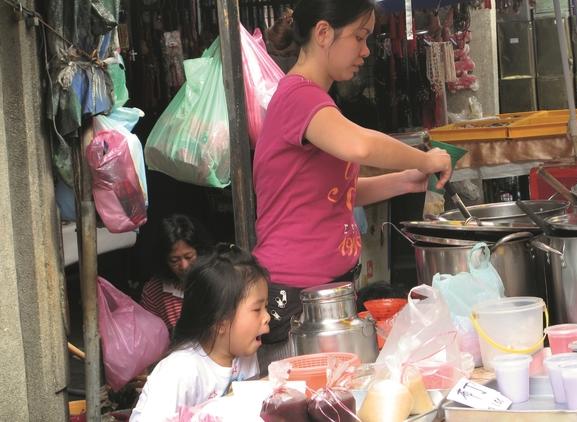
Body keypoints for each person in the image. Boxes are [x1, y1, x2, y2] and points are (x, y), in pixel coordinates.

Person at [252, 0, 453, 367]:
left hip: (328, 289)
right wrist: (423, 159)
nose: (365, 51)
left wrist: (405, 181)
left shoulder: (316, 101)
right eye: (359, 38)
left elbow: (336, 195)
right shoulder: (299, 96)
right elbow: (360, 145)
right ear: (324, 33)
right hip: (296, 296)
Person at [130, 243, 271, 420]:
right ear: (220, 321)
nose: (267, 317)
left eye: (266, 307)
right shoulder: (179, 370)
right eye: (257, 309)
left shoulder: (245, 357)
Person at [140, 214, 213, 332]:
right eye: (174, 260)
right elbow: (150, 336)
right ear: (164, 260)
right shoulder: (154, 291)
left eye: (189, 257)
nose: (184, 266)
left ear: (200, 252)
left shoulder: (216, 280)